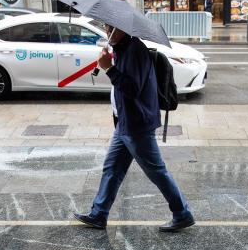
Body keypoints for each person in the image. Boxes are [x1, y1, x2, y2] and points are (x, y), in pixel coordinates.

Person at [73, 25, 195, 232]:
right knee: (112, 169)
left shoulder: (134, 50)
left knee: (156, 171)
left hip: (136, 124)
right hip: (125, 122)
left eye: (111, 28)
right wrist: (109, 62)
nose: (107, 31)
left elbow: (132, 88)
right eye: (105, 27)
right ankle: (99, 214)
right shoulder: (121, 49)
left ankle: (182, 213)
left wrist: (109, 68)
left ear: (123, 29)